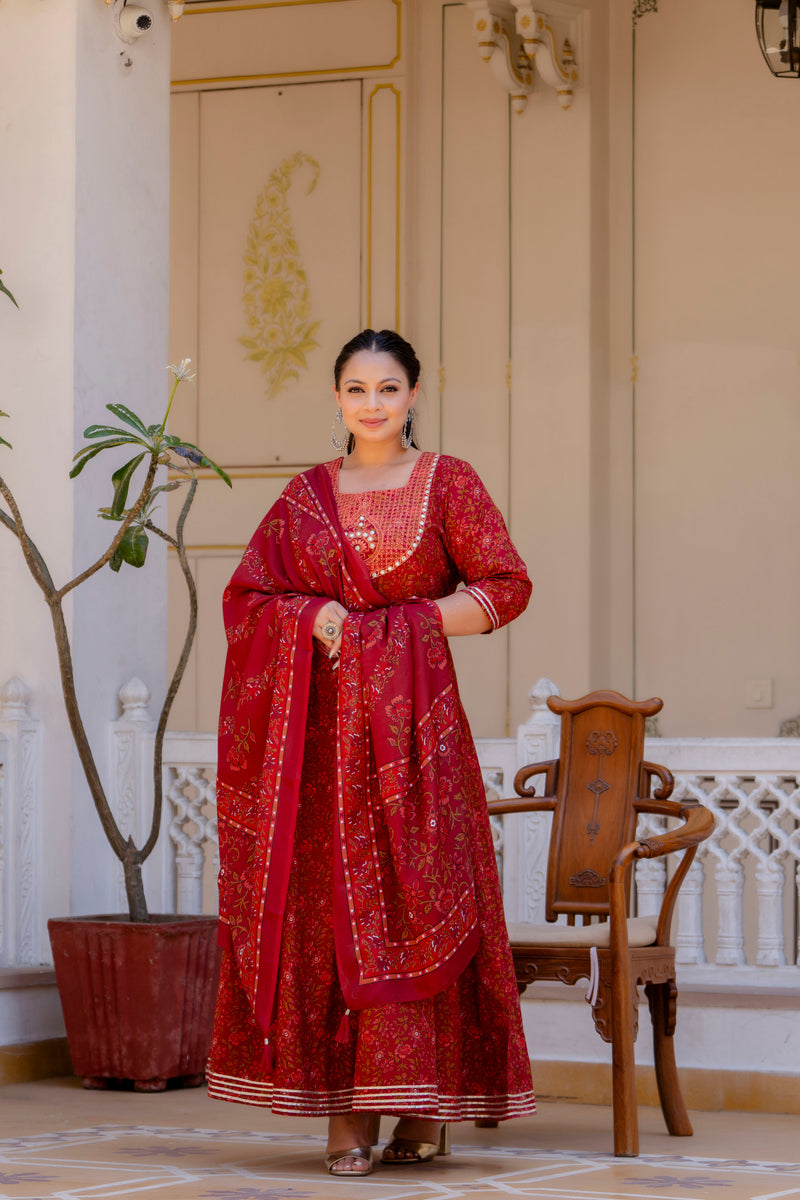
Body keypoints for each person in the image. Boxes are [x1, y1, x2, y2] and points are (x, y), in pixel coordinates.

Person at [207, 329, 536, 1175]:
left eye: (388, 388)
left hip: (416, 733)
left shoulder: (448, 482)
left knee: (418, 895)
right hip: (316, 744)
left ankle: (422, 1111)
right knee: (331, 913)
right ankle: (344, 1121)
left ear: (415, 394)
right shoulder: (306, 496)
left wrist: (408, 625)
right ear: (337, 398)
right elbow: (249, 595)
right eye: (356, 389)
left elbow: (506, 585)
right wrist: (307, 618)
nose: (372, 405)